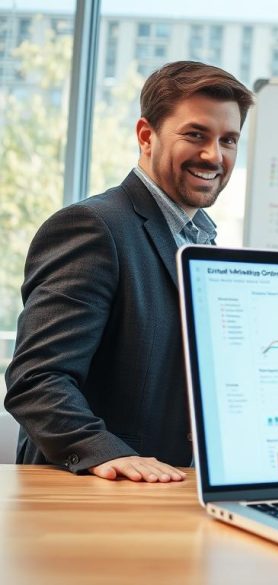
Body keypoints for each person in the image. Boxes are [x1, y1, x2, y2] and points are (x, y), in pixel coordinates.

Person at [4, 61, 254, 482]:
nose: (214, 155)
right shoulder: (93, 227)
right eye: (195, 135)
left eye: (228, 140)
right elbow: (37, 378)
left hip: (173, 490)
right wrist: (103, 451)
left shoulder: (201, 241)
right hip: (95, 493)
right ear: (146, 136)